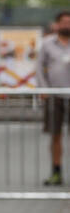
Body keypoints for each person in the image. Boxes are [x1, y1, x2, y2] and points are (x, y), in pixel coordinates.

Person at [36, 10, 70, 186]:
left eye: (68, 22)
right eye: (63, 22)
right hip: (54, 95)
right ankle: (56, 171)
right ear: (57, 24)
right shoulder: (47, 44)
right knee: (55, 135)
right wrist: (43, 88)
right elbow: (40, 67)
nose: (66, 25)